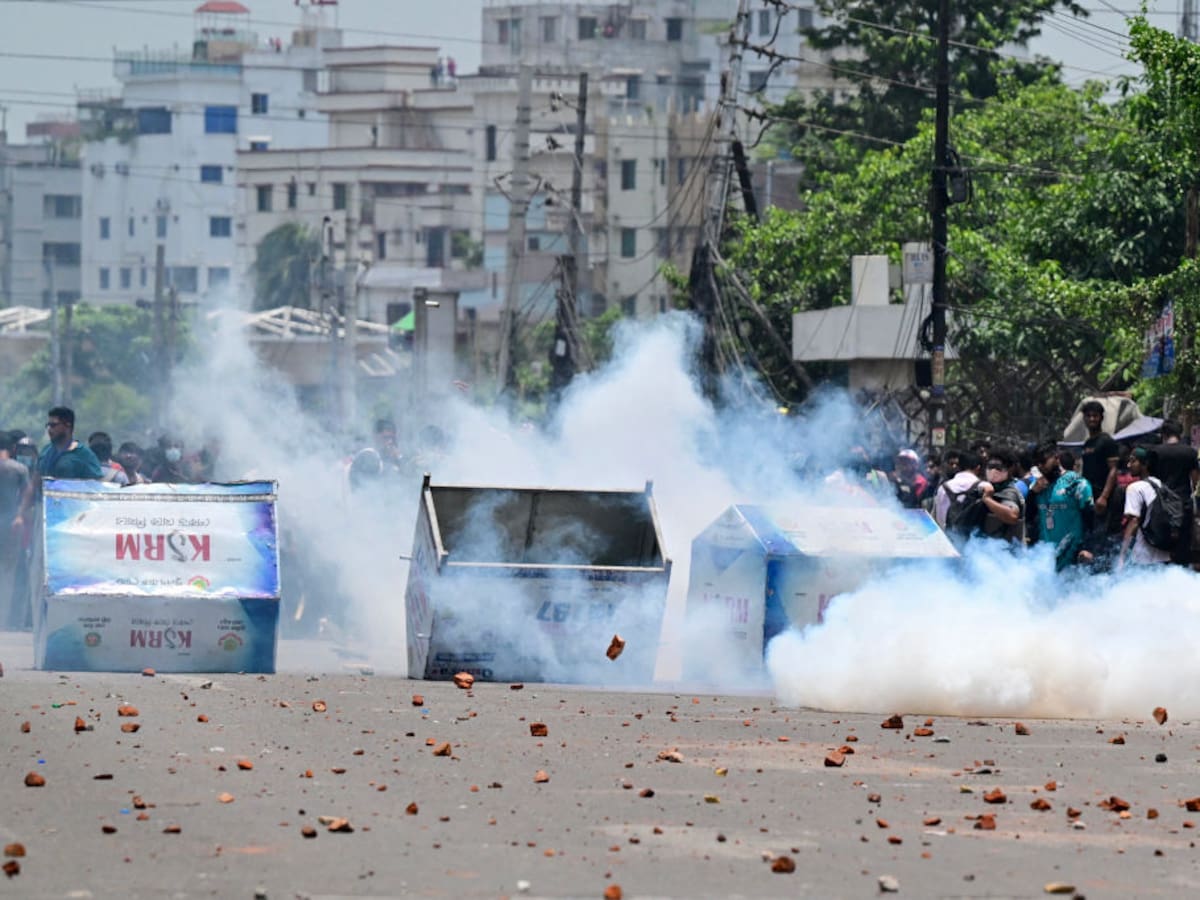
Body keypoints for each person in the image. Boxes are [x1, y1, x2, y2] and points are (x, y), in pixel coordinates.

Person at [1031, 444, 1094, 571]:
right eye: (1037, 463)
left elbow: (1090, 517)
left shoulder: (1076, 483)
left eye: (1043, 461)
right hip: (1046, 558)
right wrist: (1032, 493)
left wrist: (1088, 547)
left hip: (1072, 556)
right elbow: (1029, 517)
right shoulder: (1038, 486)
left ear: (1056, 458)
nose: (1040, 466)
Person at [1149, 420, 1199, 565]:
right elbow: (1195, 480)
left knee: (1162, 546)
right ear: (1180, 433)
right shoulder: (1190, 452)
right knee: (1183, 545)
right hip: (1183, 504)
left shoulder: (1155, 452)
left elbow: (1150, 479)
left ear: (1163, 434)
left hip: (1161, 505)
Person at [1117, 447, 1173, 571]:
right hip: (1164, 554)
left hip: (1143, 557)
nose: (1128, 465)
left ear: (1145, 464)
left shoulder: (1135, 488)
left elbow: (1134, 522)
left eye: (1133, 461)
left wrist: (1122, 555)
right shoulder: (1159, 484)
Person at [1, 431, 32, 628]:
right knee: (7, 574)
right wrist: (20, 515)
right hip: (10, 525)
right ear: (12, 449)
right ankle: (3, 619)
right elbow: (27, 494)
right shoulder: (19, 469)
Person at [977, 446, 1025, 545]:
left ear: (1010, 469)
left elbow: (1012, 516)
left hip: (1005, 555)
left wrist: (987, 499)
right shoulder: (986, 488)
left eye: (998, 467)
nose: (993, 471)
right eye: (990, 467)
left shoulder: (1009, 492)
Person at [37, 407, 103, 479]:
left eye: (53, 425)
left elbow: (97, 482)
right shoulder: (46, 451)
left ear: (68, 425)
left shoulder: (83, 454)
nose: (49, 429)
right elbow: (36, 478)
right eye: (48, 425)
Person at [933, 449, 982, 529]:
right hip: (972, 539)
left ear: (959, 466)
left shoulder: (942, 488)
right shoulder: (984, 486)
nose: (953, 467)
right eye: (950, 463)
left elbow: (938, 519)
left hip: (945, 536)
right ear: (978, 468)